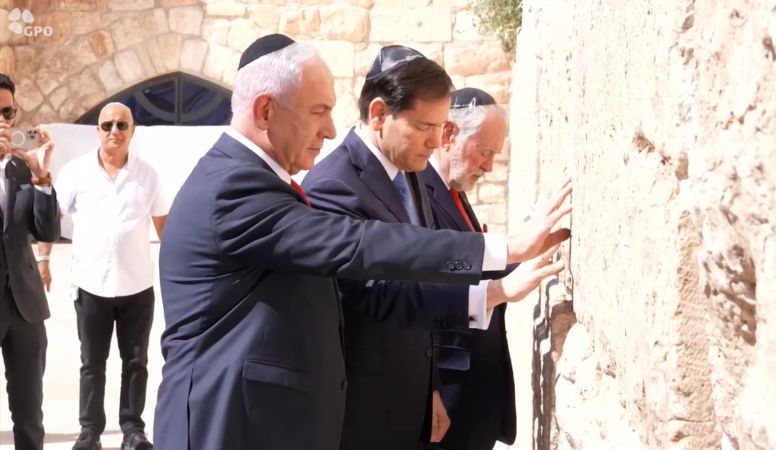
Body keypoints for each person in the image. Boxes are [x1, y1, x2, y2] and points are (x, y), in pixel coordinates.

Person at [154, 34, 571, 450]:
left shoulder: (256, 181)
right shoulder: (233, 187)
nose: (331, 128)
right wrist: (503, 250)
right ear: (265, 110)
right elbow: (359, 244)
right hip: (226, 427)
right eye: (318, 111)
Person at [303, 47, 566, 450]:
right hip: (365, 413)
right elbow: (382, 296)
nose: (435, 141)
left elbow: (428, 267)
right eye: (425, 126)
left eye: (442, 126)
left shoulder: (411, 170)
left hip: (414, 405)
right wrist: (501, 269)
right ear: (378, 114)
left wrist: (431, 391)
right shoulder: (333, 187)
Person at [38, 102, 168, 450]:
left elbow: (164, 227)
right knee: (92, 363)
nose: (114, 131)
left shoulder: (148, 175)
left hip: (137, 285)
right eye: (107, 125)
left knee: (136, 362)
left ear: (132, 131)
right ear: (97, 130)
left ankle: (132, 431)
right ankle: (90, 432)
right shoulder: (76, 173)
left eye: (122, 125)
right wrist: (44, 259)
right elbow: (52, 219)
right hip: (91, 284)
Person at [424, 87, 517, 450]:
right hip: (447, 397)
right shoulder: (420, 194)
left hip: (474, 397)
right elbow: (424, 292)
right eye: (484, 151)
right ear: (449, 135)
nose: (489, 166)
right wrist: (429, 388)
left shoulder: (455, 193)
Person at [0, 72, 60, 450]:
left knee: (29, 417)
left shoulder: (22, 167)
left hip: (24, 306)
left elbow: (47, 230)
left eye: (8, 111)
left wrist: (41, 177)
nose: (4, 120)